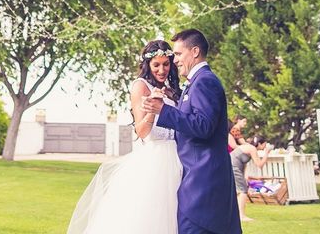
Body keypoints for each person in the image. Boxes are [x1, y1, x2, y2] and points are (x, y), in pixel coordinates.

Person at [66, 40, 183, 234]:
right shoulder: (140, 86)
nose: (161, 70)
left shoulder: (172, 90)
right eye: (156, 65)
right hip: (156, 161)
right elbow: (142, 131)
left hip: (178, 157)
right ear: (148, 65)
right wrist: (154, 107)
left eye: (165, 64)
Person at [143, 28, 241, 234]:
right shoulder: (195, 83)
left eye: (178, 54)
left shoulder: (205, 81)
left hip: (203, 183)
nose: (175, 60)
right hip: (198, 181)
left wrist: (164, 110)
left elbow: (204, 126)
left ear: (195, 51)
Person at [231, 135, 271, 222]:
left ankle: (237, 215)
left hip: (235, 167)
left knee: (240, 191)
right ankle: (241, 216)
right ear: (259, 144)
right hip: (233, 167)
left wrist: (245, 177)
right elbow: (259, 165)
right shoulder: (252, 149)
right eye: (264, 144)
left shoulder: (249, 147)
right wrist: (266, 153)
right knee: (243, 191)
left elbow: (243, 162)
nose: (265, 147)